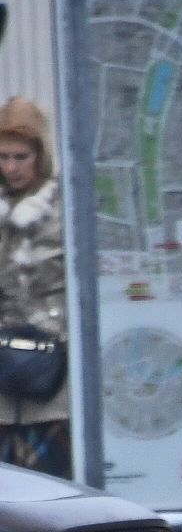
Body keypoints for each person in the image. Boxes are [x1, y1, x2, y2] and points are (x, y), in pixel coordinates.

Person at [0, 97, 68, 477]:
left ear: (40, 155)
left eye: (20, 156)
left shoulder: (64, 207)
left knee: (53, 481)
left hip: (53, 367)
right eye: (3, 156)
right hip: (1, 374)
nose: (10, 168)